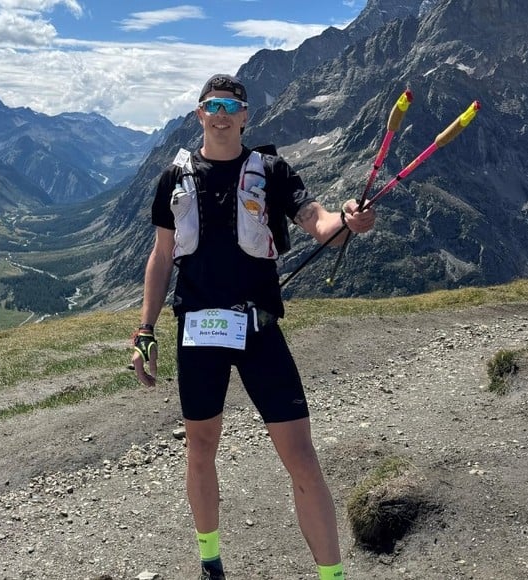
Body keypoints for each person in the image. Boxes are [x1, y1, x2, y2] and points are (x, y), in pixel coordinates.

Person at [130, 74, 376, 580]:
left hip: (258, 326)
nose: (221, 114)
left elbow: (318, 222)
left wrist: (347, 219)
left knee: (302, 457)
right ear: (198, 114)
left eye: (231, 106)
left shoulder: (272, 170)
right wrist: (145, 331)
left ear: (245, 116)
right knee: (200, 448)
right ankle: (210, 561)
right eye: (211, 105)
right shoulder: (172, 178)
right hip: (197, 330)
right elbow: (160, 257)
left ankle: (332, 575)